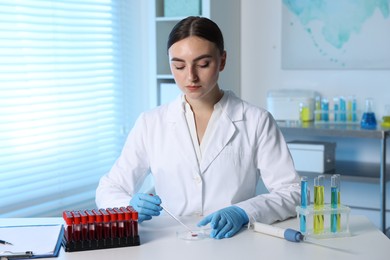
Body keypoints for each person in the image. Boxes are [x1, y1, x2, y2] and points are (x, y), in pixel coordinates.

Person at [96, 16, 300, 239]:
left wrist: (244, 211)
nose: (190, 76)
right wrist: (128, 206)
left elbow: (292, 191)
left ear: (222, 61)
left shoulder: (256, 120)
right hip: (169, 244)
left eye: (203, 64)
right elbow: (109, 189)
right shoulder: (150, 123)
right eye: (179, 65)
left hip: (234, 242)